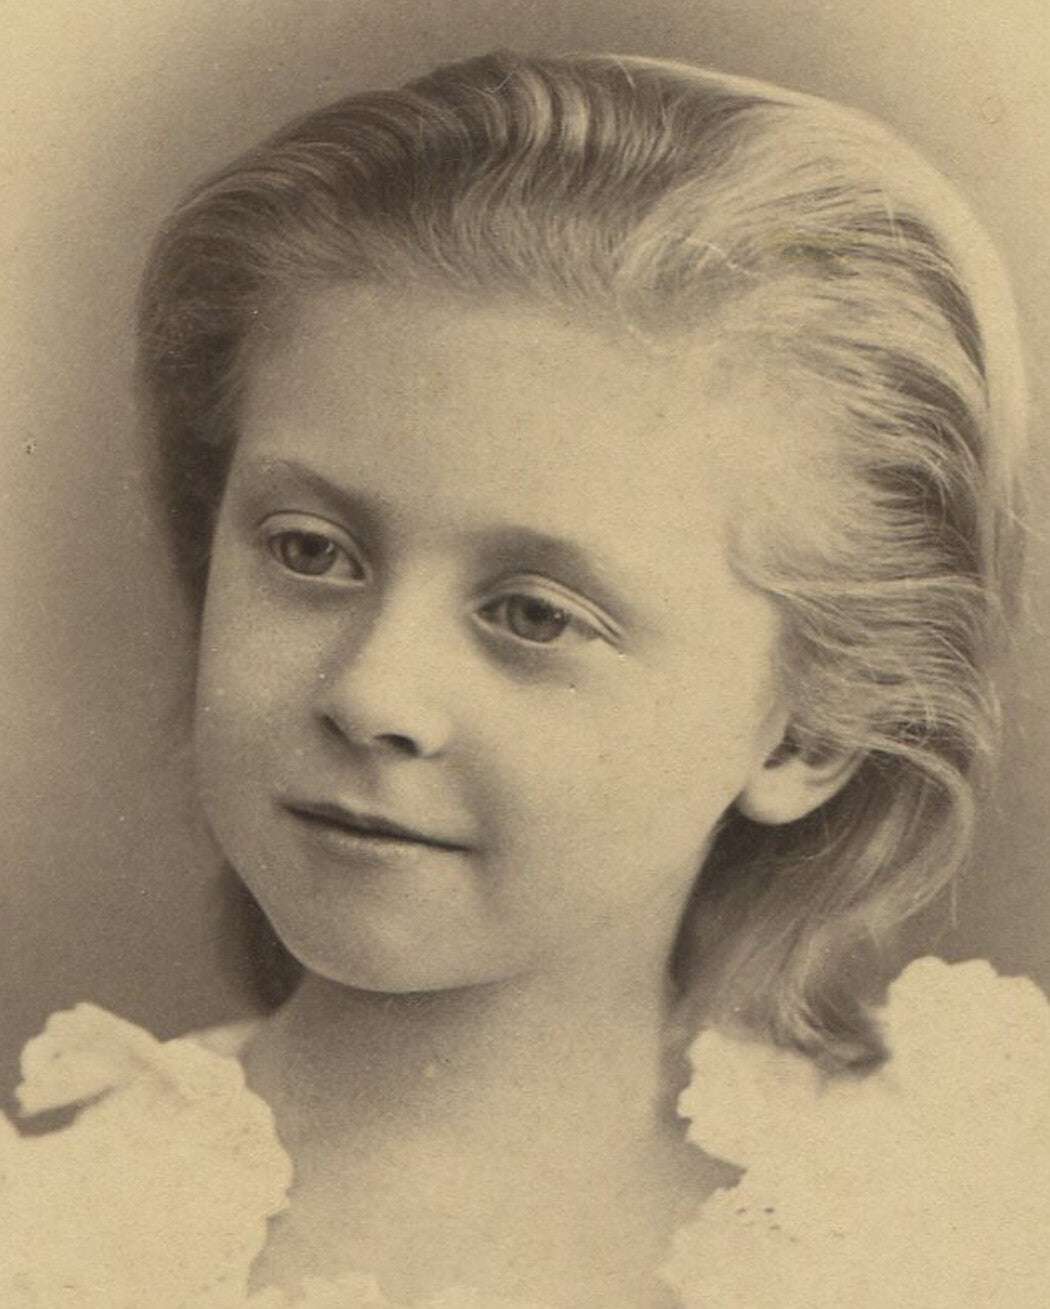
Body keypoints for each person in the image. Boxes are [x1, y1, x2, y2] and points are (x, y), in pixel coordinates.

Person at [3, 49, 1048, 1309]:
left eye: (535, 615)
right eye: (310, 551)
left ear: (807, 736)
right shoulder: (55, 1232)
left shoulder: (959, 1213)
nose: (373, 692)